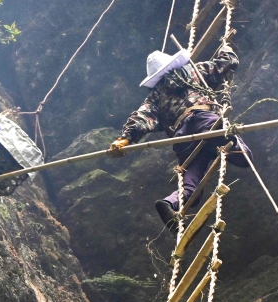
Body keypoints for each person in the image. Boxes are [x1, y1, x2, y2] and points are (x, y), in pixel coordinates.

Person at [108, 38, 252, 229]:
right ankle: (229, 145)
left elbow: (141, 119)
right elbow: (225, 65)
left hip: (184, 137)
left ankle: (169, 204)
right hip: (204, 120)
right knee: (244, 156)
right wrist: (227, 49)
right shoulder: (191, 71)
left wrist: (125, 139)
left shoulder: (154, 97)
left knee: (191, 186)